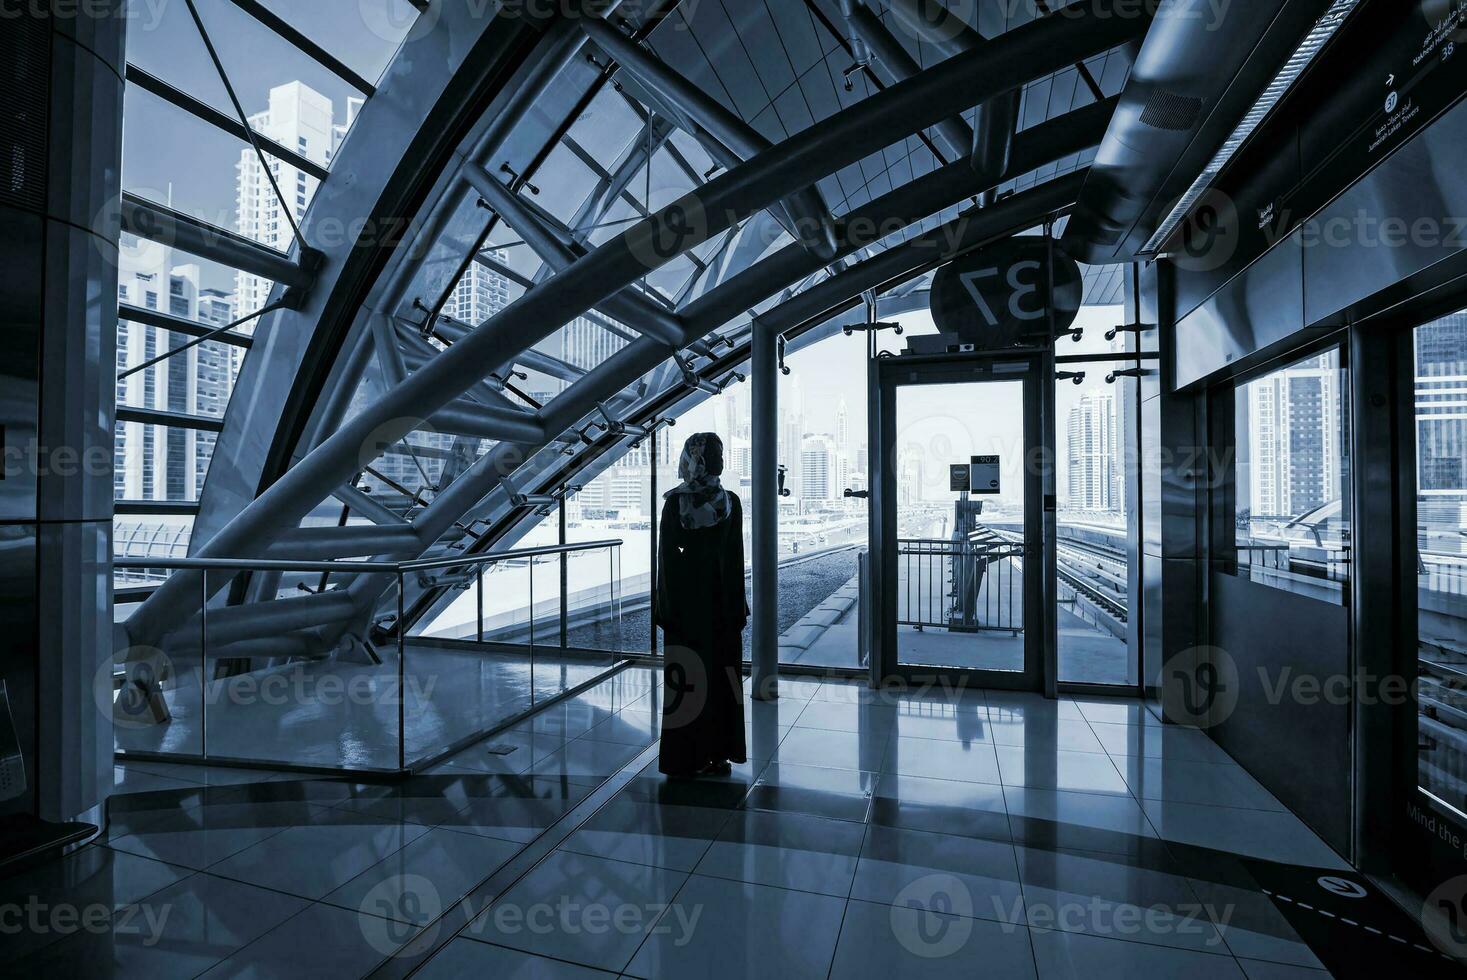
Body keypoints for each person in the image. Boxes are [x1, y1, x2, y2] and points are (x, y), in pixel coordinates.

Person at [656, 432, 748, 778]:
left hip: (685, 609)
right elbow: (735, 560)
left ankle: (684, 758)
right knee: (722, 681)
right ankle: (720, 753)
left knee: (686, 682)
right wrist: (738, 607)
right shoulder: (730, 503)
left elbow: (667, 561)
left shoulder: (675, 505)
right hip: (721, 608)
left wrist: (665, 609)